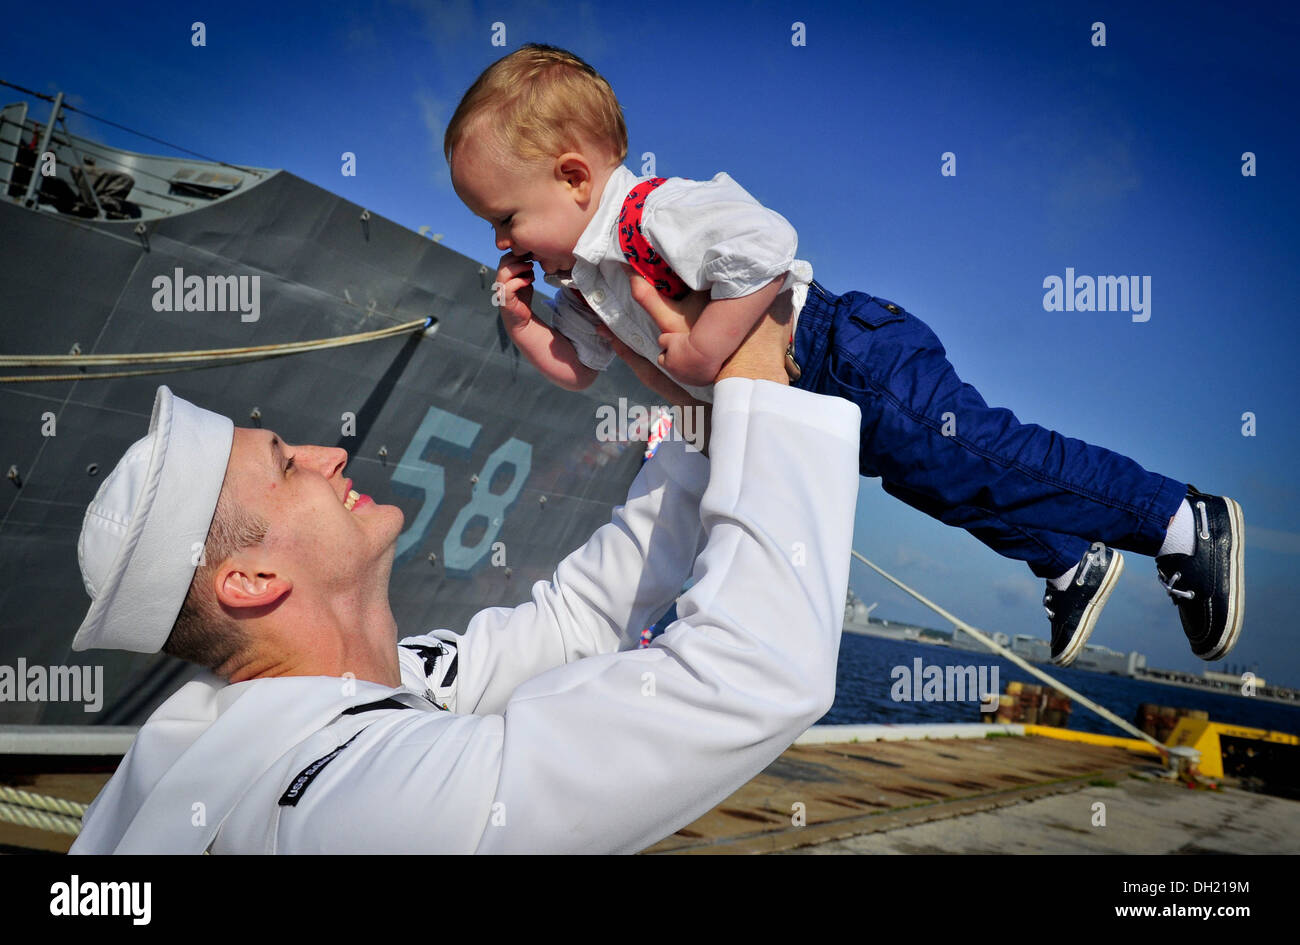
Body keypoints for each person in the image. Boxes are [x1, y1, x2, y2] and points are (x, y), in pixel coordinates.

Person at [443, 43, 1244, 669]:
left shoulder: (652, 216)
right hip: (805, 393)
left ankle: (1178, 517)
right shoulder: (585, 282)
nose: (503, 241)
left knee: (984, 452)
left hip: (844, 350)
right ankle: (1066, 559)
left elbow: (767, 243)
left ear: (576, 177)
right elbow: (580, 366)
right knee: (939, 481)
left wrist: (704, 347)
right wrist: (525, 326)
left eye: (506, 217)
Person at [68, 285, 862, 854]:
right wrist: (760, 377)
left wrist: (700, 416)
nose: (331, 454)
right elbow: (754, 674)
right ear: (247, 581)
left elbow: (576, 620)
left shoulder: (368, 686)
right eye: (285, 466)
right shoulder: (353, 808)